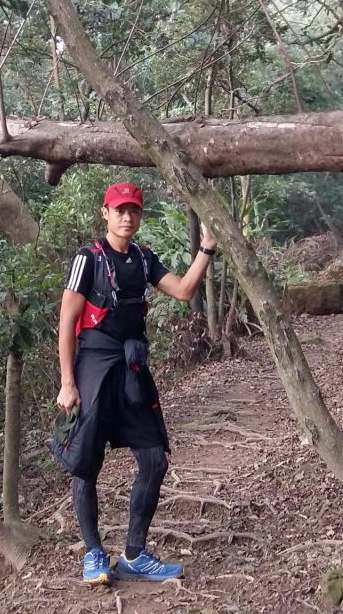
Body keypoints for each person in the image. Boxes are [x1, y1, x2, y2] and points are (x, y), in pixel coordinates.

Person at [54, 181, 216, 585]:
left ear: (139, 216)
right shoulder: (88, 258)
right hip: (94, 364)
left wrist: (207, 248)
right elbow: (67, 320)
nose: (127, 217)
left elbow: (182, 290)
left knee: (154, 459)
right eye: (120, 209)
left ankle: (134, 554)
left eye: (134, 211)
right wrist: (67, 382)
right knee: (86, 463)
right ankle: (94, 554)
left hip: (132, 365)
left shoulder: (143, 259)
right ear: (105, 212)